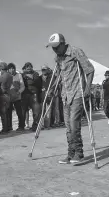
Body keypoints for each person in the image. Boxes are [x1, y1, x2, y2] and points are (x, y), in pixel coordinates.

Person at [46, 33, 94, 164]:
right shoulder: (58, 58)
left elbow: (90, 70)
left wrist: (88, 88)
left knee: (74, 124)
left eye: (56, 47)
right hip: (65, 95)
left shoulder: (75, 52)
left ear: (62, 43)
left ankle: (79, 153)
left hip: (78, 92)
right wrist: (52, 88)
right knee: (68, 127)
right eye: (52, 48)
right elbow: (58, 76)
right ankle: (71, 153)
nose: (54, 50)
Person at [22, 62, 42, 132]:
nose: (29, 68)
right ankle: (22, 126)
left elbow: (36, 82)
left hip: (34, 94)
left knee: (36, 111)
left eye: (30, 66)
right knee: (23, 111)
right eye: (27, 67)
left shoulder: (35, 74)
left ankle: (35, 125)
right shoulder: (22, 75)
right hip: (25, 94)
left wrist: (29, 77)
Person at [7, 63, 26, 131]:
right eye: (10, 68)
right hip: (9, 98)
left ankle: (21, 126)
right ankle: (9, 127)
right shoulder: (7, 76)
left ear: (15, 69)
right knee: (8, 113)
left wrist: (19, 92)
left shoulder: (19, 75)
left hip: (17, 97)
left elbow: (22, 86)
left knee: (19, 112)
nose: (11, 70)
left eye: (13, 68)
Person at [0, 62, 13, 134]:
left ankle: (4, 129)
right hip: (8, 95)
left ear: (1, 69)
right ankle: (8, 127)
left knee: (3, 113)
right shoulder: (10, 76)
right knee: (8, 113)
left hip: (2, 95)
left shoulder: (1, 77)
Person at [40, 65, 55, 129]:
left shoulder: (51, 77)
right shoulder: (39, 78)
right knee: (42, 111)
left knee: (49, 111)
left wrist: (50, 91)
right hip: (42, 96)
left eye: (45, 70)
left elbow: (53, 85)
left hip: (49, 96)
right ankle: (42, 124)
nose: (44, 71)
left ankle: (48, 125)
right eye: (43, 70)